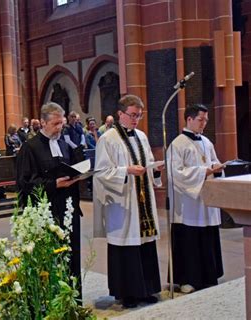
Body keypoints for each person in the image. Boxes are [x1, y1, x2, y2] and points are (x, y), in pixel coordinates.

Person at [93, 94, 163, 309]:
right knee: (127, 244)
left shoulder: (141, 136)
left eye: (139, 116)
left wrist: (155, 170)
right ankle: (128, 293)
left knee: (144, 242)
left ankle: (147, 289)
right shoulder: (108, 138)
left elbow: (148, 161)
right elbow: (102, 171)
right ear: (120, 114)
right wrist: (126, 171)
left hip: (142, 202)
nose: (135, 120)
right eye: (132, 115)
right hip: (123, 201)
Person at [16, 102, 83, 294]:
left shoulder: (64, 144)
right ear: (43, 123)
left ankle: (73, 301)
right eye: (55, 124)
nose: (59, 128)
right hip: (46, 212)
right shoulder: (30, 147)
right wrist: (53, 184)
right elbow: (25, 182)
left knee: (72, 255)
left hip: (68, 209)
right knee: (51, 258)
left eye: (61, 123)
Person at [166, 104, 224, 294]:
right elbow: (175, 174)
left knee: (207, 238)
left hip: (206, 202)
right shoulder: (177, 144)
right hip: (188, 205)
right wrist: (204, 171)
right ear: (189, 119)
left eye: (206, 120)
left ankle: (208, 276)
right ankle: (187, 278)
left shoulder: (207, 142)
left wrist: (217, 167)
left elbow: (213, 161)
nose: (204, 123)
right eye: (201, 119)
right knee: (189, 240)